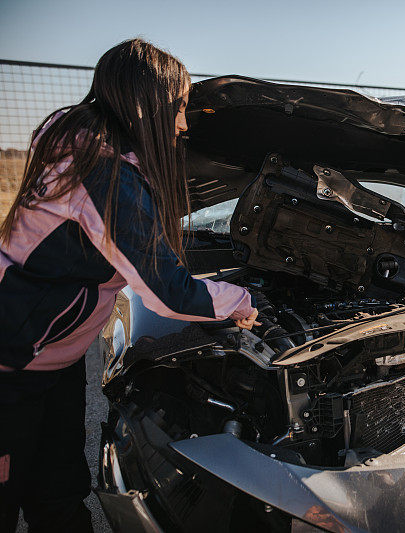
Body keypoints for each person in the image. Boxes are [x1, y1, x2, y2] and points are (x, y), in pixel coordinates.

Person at [0, 39, 260, 532]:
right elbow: (168, 292)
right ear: (148, 105)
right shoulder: (106, 176)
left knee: (57, 491)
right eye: (179, 107)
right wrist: (243, 300)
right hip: (11, 362)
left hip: (50, 356)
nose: (183, 125)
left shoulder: (73, 132)